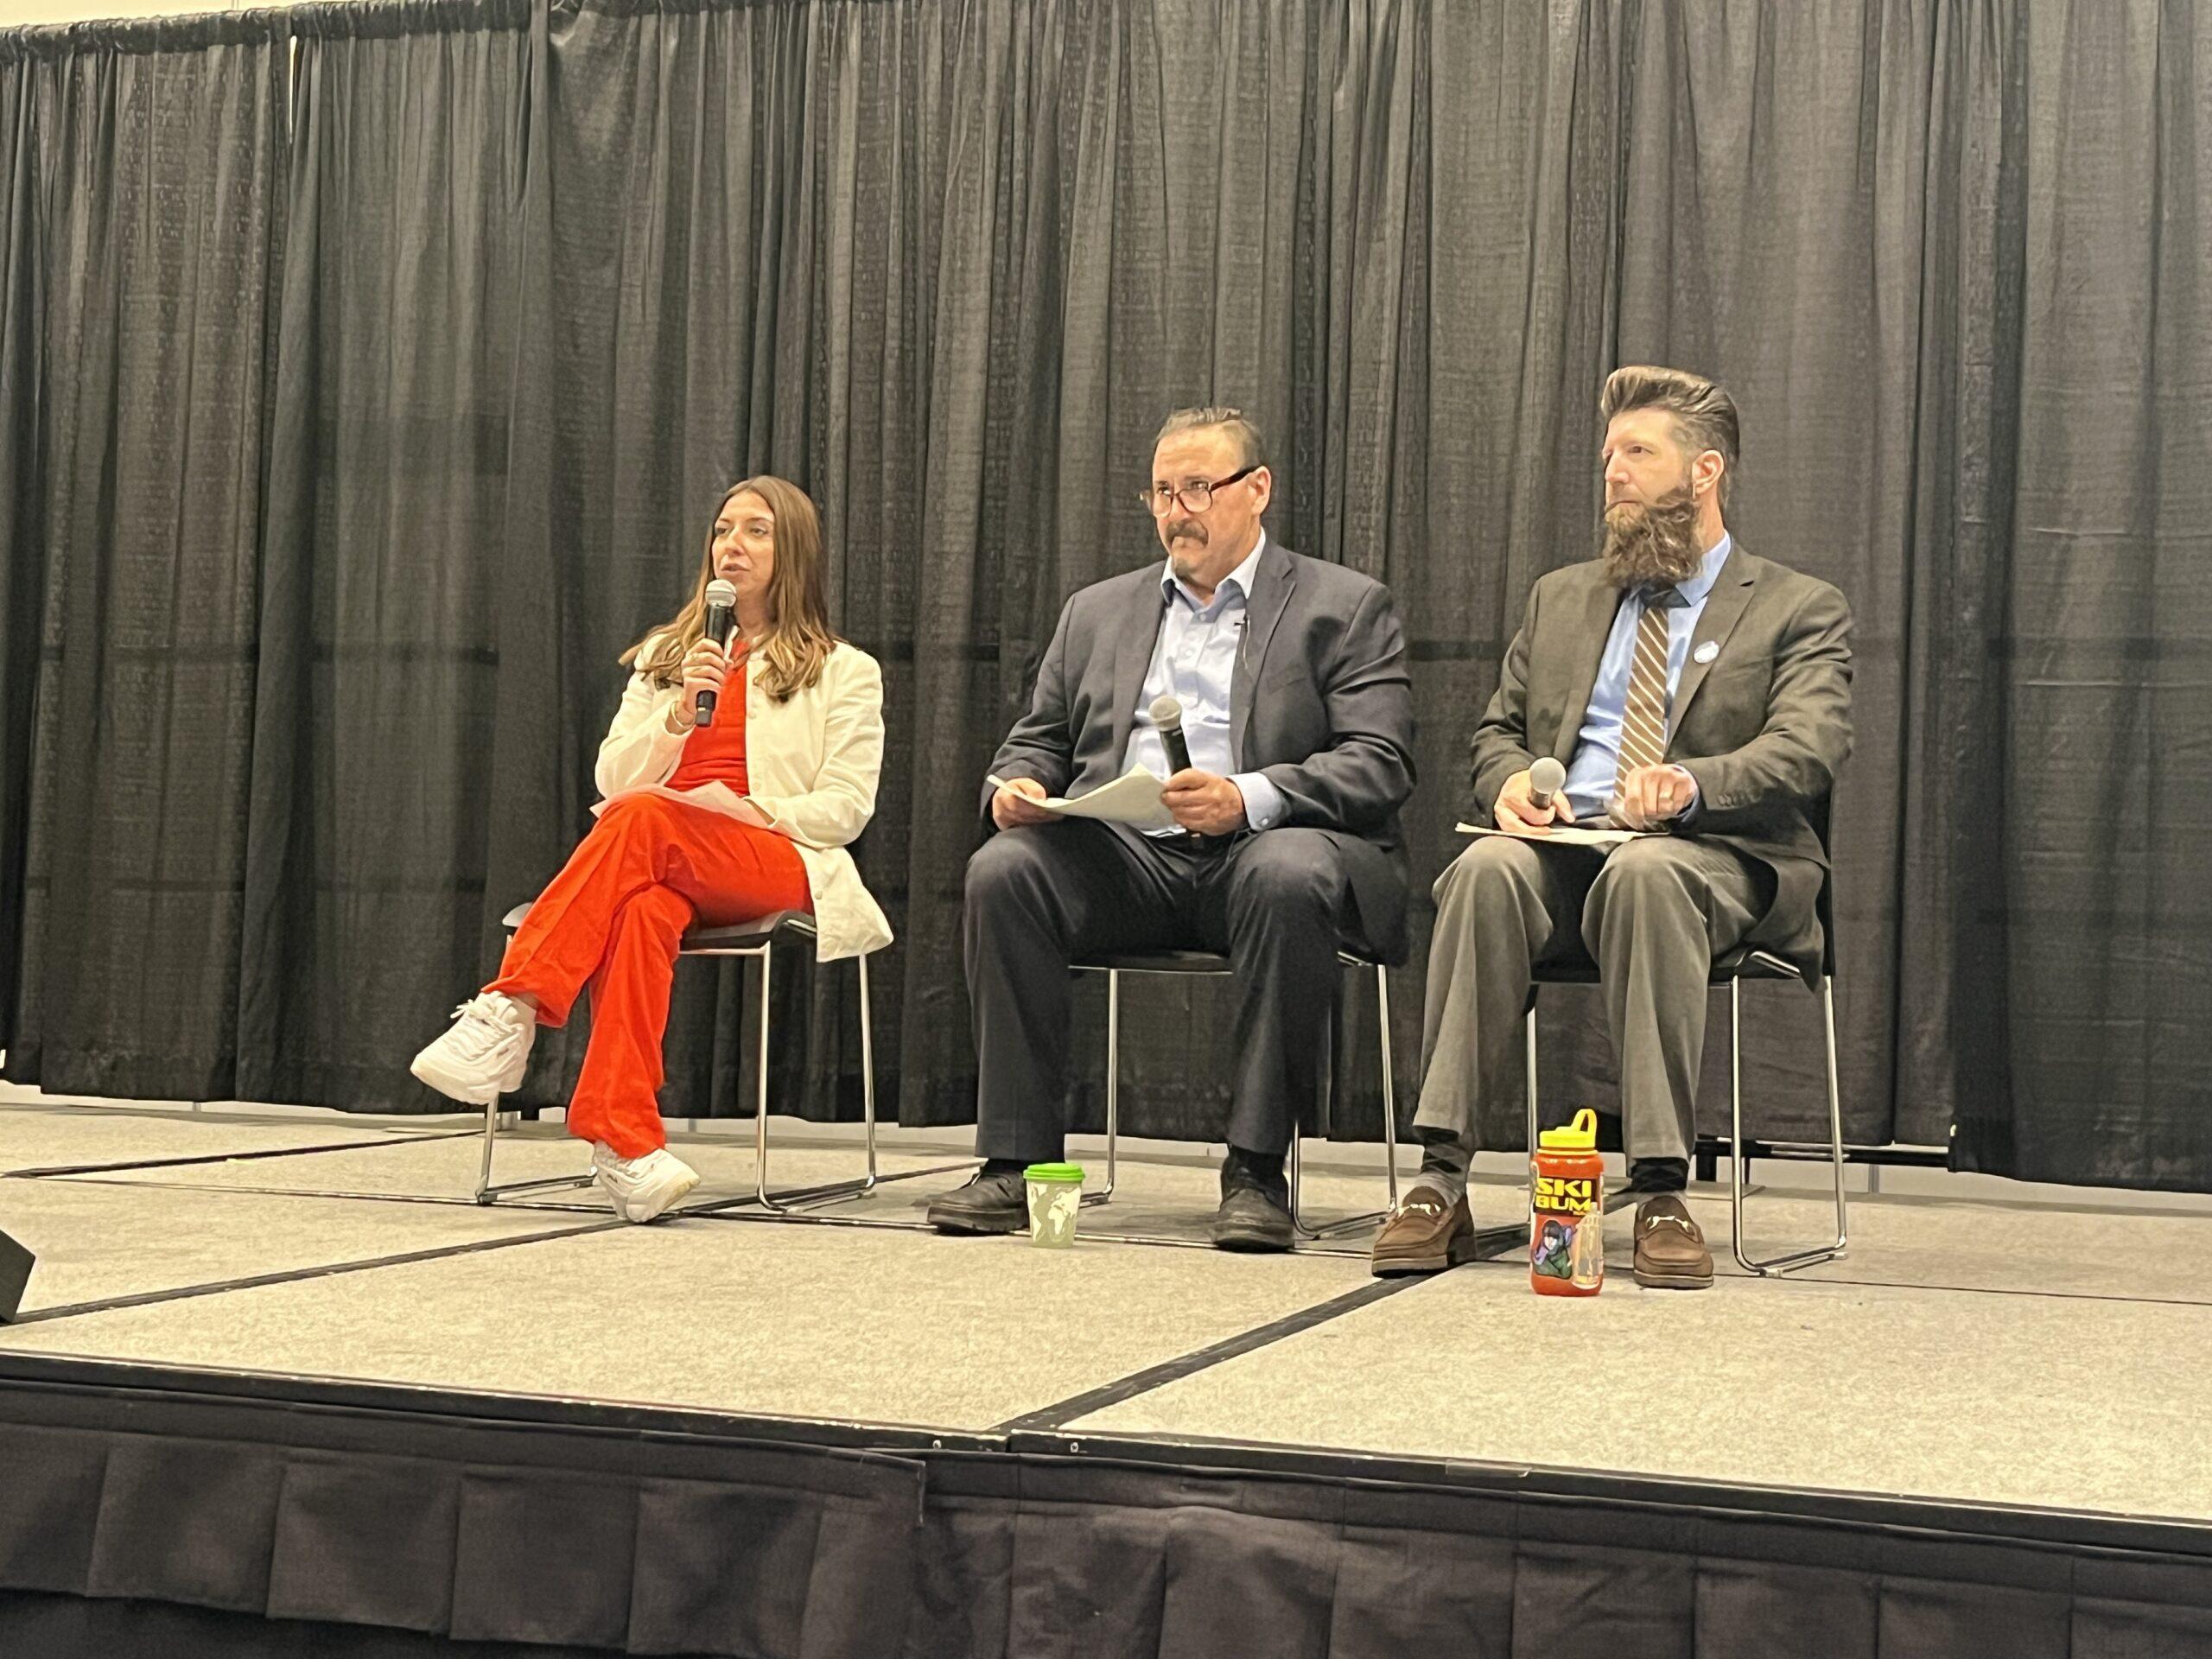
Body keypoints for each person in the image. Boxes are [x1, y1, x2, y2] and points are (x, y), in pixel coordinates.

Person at [1370, 365, 1852, 1289]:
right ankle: (1439, 1178)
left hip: (1714, 859)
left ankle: (1661, 1187)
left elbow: (1809, 746)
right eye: (1607, 456)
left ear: (1704, 471)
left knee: (1648, 874)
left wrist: (1689, 784)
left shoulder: (1796, 605)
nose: (1613, 472)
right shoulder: (1562, 597)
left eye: (1637, 452)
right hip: (1568, 849)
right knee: (1484, 869)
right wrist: (1511, 784)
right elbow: (1497, 733)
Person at [928, 407, 1417, 1252]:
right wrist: (1017, 786)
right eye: (1161, 492)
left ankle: (1256, 1172)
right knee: (1006, 869)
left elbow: (1379, 762)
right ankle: (1015, 1161)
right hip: (1128, 860)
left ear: (1256, 490)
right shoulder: (1096, 611)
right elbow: (1037, 741)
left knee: (1289, 871)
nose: (1176, 511)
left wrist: (1247, 795)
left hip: (1263, 851)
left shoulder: (1343, 606)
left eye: (1197, 488)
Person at [410, 478, 889, 1223]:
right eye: (723, 530)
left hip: (779, 858)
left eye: (756, 531)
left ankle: (512, 1007)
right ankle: (626, 1145)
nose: (732, 545)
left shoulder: (843, 669)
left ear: (793, 549)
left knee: (642, 822)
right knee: (643, 907)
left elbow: (846, 809)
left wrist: (746, 812)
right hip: (657, 856)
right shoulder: (668, 657)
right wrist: (676, 716)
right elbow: (612, 778)